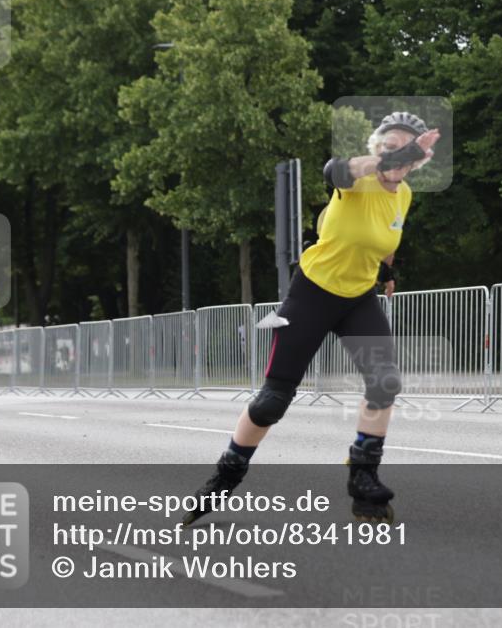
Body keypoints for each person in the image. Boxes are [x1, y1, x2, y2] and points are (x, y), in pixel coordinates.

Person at [183, 112, 440, 525]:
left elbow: (388, 235)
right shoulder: (358, 179)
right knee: (272, 401)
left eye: (408, 151)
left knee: (384, 382)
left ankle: (363, 481)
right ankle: (225, 477)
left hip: (358, 298)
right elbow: (336, 170)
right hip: (312, 294)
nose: (398, 157)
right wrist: (397, 154)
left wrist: (386, 271)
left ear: (416, 163)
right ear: (378, 150)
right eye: (390, 147)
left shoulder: (404, 194)